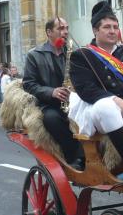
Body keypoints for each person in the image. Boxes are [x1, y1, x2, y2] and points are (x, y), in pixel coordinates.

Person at [69, 2, 123, 176]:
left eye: (115, 27)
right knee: (106, 107)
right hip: (97, 113)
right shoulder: (82, 55)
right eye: (107, 27)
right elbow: (86, 90)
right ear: (96, 30)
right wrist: (117, 101)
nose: (112, 31)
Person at [23, 16, 85, 170]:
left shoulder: (73, 53)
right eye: (60, 28)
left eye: (66, 28)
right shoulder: (34, 55)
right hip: (49, 104)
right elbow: (29, 84)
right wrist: (52, 92)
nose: (65, 32)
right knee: (52, 119)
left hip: (74, 101)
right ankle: (75, 157)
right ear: (49, 32)